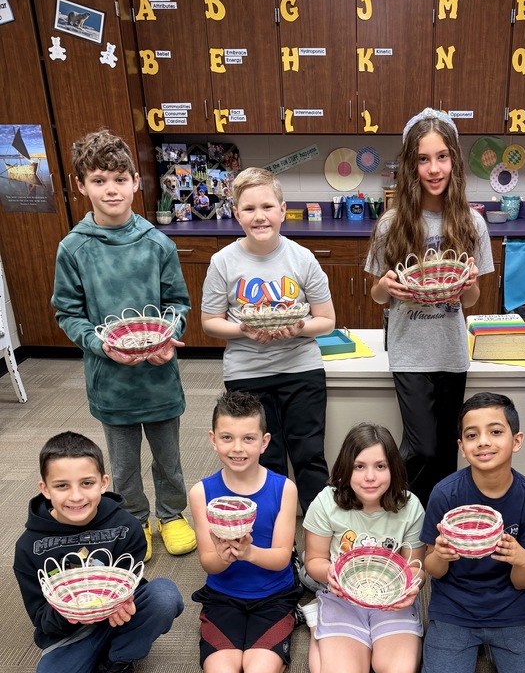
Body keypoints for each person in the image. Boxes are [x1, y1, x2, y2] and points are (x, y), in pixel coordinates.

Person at [52, 128, 196, 562]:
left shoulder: (157, 243)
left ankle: (172, 515)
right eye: (98, 180)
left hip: (158, 375)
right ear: (81, 186)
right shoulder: (73, 249)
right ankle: (133, 518)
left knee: (169, 457)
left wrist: (168, 336)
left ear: (137, 181)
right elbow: (68, 313)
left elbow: (178, 303)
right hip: (110, 379)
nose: (110, 189)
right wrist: (99, 344)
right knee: (124, 462)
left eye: (119, 179)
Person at [13, 432, 184, 673]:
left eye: (87, 483)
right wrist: (70, 614)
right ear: (44, 489)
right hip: (68, 634)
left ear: (104, 482)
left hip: (118, 620)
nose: (76, 496)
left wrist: (127, 601)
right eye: (62, 486)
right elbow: (40, 619)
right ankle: (89, 661)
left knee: (164, 595)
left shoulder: (126, 527)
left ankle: (117, 663)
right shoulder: (29, 546)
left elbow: (131, 582)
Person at [365, 109, 494, 508]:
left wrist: (469, 286)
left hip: (452, 352)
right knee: (421, 447)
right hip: (409, 352)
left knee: (446, 452)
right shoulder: (392, 223)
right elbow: (376, 294)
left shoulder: (472, 223)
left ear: (454, 159)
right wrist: (384, 286)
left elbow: (469, 302)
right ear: (410, 164)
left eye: (441, 157)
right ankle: (391, 505)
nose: (433, 169)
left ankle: (433, 526)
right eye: (423, 159)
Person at [200, 167, 335, 516]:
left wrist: (300, 327)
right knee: (264, 458)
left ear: (282, 209)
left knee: (308, 453)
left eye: (267, 207)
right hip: (247, 373)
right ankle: (275, 533)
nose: (259, 216)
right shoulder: (223, 262)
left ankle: (319, 530)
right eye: (248, 209)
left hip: (300, 368)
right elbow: (210, 322)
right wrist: (243, 329)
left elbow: (327, 320)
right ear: (236, 213)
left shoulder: (301, 257)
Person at [419, 392, 525, 673]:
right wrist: (440, 555)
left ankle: (495, 649)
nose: (483, 442)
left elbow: (524, 581)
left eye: (496, 431)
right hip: (454, 607)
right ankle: (471, 648)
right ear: (461, 446)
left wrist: (523, 560)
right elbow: (432, 571)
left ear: (516, 440)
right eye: (472, 435)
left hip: (510, 609)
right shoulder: (445, 493)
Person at [188, 391, 302, 673]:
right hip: (223, 595)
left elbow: (280, 559)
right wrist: (225, 557)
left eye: (248, 439)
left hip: (273, 595)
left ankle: (288, 620)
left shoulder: (284, 488)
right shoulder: (201, 493)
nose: (237, 448)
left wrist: (248, 552)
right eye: (227, 438)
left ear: (264, 442)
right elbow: (208, 563)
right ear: (213, 439)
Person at [302, 424, 425, 673]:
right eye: (359, 466)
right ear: (346, 468)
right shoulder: (326, 502)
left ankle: (366, 644)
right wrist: (330, 572)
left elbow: (416, 568)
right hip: (341, 597)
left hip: (390, 601)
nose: (370, 477)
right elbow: (314, 561)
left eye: (380, 466)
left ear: (394, 468)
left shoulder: (411, 506)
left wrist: (413, 587)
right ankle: (316, 623)